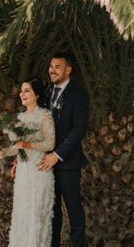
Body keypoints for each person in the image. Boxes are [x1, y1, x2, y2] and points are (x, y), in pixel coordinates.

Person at [0, 78, 56, 247]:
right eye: (21, 91)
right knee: (23, 216)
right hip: (23, 174)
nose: (22, 94)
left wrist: (28, 144)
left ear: (36, 94)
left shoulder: (45, 116)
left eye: (27, 90)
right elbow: (18, 147)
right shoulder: (19, 118)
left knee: (37, 217)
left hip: (39, 171)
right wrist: (4, 152)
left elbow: (50, 143)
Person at [37, 52, 89, 247]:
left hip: (67, 163)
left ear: (68, 70)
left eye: (57, 67)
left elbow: (79, 129)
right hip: (46, 164)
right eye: (51, 66)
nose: (52, 70)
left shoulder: (79, 94)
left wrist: (57, 156)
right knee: (53, 212)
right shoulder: (47, 92)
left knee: (74, 211)